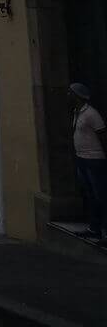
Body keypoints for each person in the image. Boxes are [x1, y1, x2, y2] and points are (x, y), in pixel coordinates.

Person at [71, 82, 107, 241]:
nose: (68, 96)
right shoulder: (76, 112)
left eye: (70, 93)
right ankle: (94, 228)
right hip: (81, 158)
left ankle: (104, 232)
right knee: (90, 195)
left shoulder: (91, 113)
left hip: (95, 160)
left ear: (78, 96)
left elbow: (102, 134)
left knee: (100, 196)